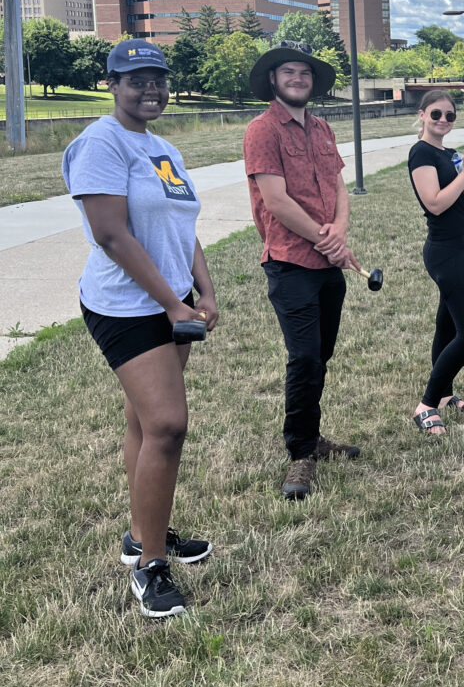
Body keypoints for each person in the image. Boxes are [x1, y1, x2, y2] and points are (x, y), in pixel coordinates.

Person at [62, 39, 217, 619]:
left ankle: (142, 532)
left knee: (144, 422)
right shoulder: (99, 142)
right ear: (112, 84)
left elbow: (184, 223)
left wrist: (203, 289)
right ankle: (151, 566)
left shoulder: (163, 147)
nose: (150, 89)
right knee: (169, 425)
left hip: (172, 301)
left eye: (157, 78)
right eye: (136, 79)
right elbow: (111, 234)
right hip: (126, 306)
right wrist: (172, 306)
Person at [243, 40, 362, 500]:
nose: (297, 79)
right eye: (289, 72)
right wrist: (324, 237)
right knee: (305, 356)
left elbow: (337, 186)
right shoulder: (262, 130)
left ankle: (312, 435)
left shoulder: (323, 129)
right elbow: (275, 201)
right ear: (274, 80)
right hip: (290, 262)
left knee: (322, 354)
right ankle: (300, 453)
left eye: (305, 74)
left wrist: (339, 234)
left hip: (328, 260)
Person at [407, 89, 464, 436]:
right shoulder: (420, 153)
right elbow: (435, 203)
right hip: (445, 251)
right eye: (436, 114)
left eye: (449, 116)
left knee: (449, 326)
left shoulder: (453, 155)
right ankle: (426, 404)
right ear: (423, 115)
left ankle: (443, 395)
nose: (443, 120)